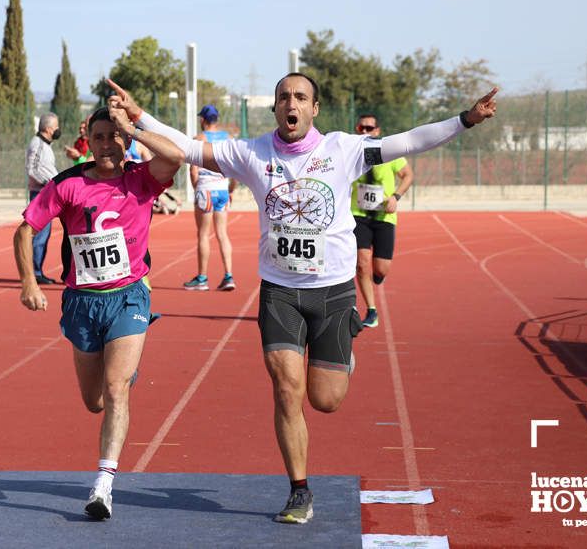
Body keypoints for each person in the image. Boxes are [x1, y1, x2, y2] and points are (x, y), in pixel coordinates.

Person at [107, 75, 497, 524]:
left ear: (314, 108)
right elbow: (188, 148)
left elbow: (409, 141)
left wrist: (466, 120)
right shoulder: (252, 153)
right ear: (275, 108)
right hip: (279, 293)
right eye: (283, 98)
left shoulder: (343, 149)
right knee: (286, 390)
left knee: (325, 400)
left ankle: (343, 345)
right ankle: (299, 490)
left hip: (332, 293)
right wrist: (137, 117)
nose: (290, 104)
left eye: (300, 97)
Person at [13, 104, 184, 520]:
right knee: (94, 401)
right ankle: (122, 369)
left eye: (116, 136)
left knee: (115, 388)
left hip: (128, 295)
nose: (109, 144)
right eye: (101, 136)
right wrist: (29, 283)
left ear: (125, 139)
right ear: (87, 140)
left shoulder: (141, 180)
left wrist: (136, 128)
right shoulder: (68, 184)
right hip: (82, 302)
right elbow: (25, 230)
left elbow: (176, 157)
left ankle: (103, 485)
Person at [350, 114, 414, 328]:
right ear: (357, 129)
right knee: (361, 263)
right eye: (362, 127)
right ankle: (371, 310)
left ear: (378, 131)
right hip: (358, 215)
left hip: (384, 215)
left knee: (381, 268)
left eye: (370, 128)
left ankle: (379, 276)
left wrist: (396, 197)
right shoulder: (350, 153)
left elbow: (408, 175)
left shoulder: (390, 152)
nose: (366, 131)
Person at [183, 105, 236, 291]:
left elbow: (193, 169)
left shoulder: (199, 139)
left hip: (205, 189)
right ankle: (229, 276)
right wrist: (231, 190)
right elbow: (235, 170)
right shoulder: (229, 139)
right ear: (217, 119)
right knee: (222, 233)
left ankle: (202, 278)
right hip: (222, 189)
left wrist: (197, 187)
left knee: (203, 234)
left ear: (203, 120)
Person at [27, 113, 62, 285]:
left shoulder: (46, 146)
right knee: (39, 235)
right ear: (48, 129)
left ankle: (38, 270)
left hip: (47, 193)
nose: (58, 130)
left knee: (44, 235)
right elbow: (32, 169)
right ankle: (35, 272)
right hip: (41, 194)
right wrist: (47, 183)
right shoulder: (37, 144)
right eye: (56, 127)